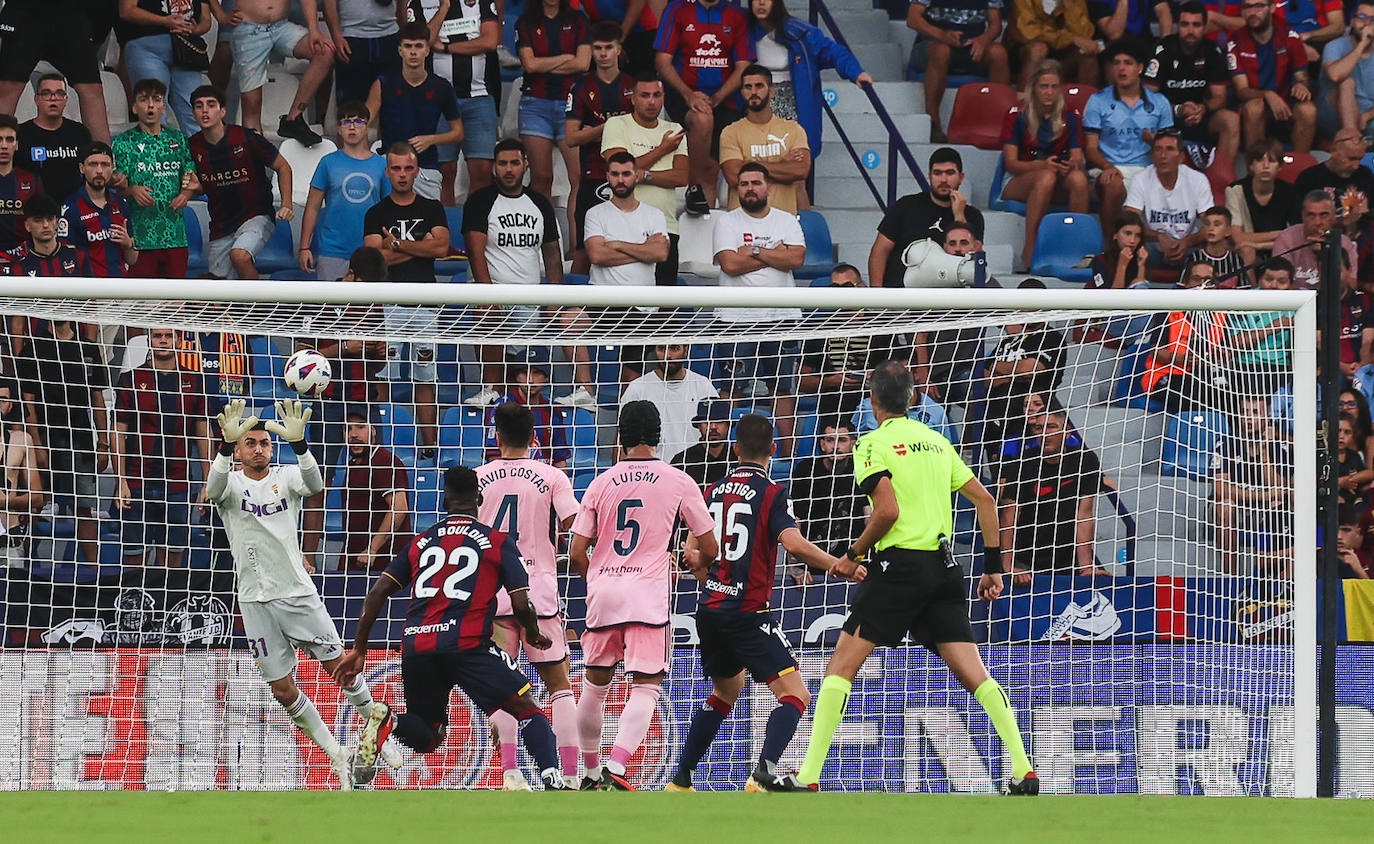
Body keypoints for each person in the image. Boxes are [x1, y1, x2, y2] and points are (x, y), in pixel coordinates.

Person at [795, 360, 1038, 795]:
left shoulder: (871, 444)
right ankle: (1023, 768)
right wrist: (992, 565)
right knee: (975, 674)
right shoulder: (937, 442)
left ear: (872, 400)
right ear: (912, 398)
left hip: (899, 568)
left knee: (841, 667)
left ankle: (809, 776)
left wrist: (852, 555)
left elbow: (887, 511)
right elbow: (985, 501)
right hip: (944, 569)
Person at [336, 465, 568, 790]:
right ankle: (554, 779)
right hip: (468, 644)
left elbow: (377, 592)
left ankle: (390, 720)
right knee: (528, 709)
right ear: (480, 498)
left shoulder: (421, 542)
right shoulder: (496, 541)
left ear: (444, 498)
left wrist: (359, 649)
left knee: (428, 736)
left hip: (417, 646)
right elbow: (519, 603)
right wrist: (532, 631)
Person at [208, 397, 400, 788]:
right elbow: (212, 489)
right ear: (238, 449)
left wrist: (300, 446)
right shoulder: (231, 484)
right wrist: (223, 448)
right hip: (253, 600)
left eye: (264, 443)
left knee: (340, 668)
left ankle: (378, 728)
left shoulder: (287, 476)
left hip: (297, 594)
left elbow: (315, 484)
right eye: (250, 443)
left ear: (272, 448)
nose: (259, 448)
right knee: (281, 688)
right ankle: (337, 754)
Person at [668, 413, 860, 792]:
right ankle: (763, 774)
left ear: (735, 449)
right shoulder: (773, 492)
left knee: (725, 692)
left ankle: (681, 779)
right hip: (747, 610)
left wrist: (709, 579)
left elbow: (692, 550)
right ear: (773, 449)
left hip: (710, 608)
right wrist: (838, 565)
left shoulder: (714, 490)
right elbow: (794, 544)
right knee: (796, 694)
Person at [570, 400, 719, 791]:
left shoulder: (601, 481)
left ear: (619, 437)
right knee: (647, 685)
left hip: (604, 591)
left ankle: (588, 771)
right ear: (659, 437)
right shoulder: (678, 480)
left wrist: (597, 579)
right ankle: (615, 767)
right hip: (647, 595)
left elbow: (575, 550)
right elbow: (711, 546)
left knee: (594, 685)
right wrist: (692, 559)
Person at [477, 401, 581, 790]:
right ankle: (569, 774)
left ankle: (510, 773)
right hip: (539, 592)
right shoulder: (552, 476)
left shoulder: (478, 477)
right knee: (559, 686)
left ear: (497, 436)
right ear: (535, 439)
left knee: (504, 686)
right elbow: (576, 523)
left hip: (495, 595)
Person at [462, 139, 568, 408]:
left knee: (521, 372)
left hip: (528, 296)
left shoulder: (540, 203)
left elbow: (553, 254)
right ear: (494, 168)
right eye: (503, 163)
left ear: (526, 165)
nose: (509, 169)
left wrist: (554, 298)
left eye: (514, 163)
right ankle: (490, 391)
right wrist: (489, 296)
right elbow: (475, 251)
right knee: (488, 322)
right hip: (494, 290)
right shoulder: (480, 200)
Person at [363, 142, 450, 456]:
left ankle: (430, 449)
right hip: (387, 306)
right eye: (396, 168)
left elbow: (441, 249)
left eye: (408, 168)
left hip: (425, 307)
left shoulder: (432, 208)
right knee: (383, 377)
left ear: (417, 170)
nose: (402, 174)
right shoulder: (376, 212)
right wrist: (417, 246)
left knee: (424, 379)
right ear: (387, 172)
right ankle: (383, 448)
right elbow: (374, 260)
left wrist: (396, 245)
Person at [711, 162, 804, 449]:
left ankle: (788, 459)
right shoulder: (726, 221)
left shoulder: (786, 219)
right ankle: (723, 453)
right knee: (731, 389)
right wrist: (774, 252)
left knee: (783, 388)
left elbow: (796, 259)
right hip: (735, 318)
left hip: (781, 316)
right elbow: (729, 264)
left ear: (769, 187)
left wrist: (752, 250)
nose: (750, 188)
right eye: (744, 184)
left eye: (756, 182)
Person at [112, 327, 213, 568]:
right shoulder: (131, 379)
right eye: (158, 336)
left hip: (178, 484)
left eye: (168, 336)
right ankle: (134, 604)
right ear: (150, 341)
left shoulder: (194, 380)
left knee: (173, 559)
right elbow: (118, 431)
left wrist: (207, 481)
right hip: (137, 483)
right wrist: (121, 481)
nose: (164, 341)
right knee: (135, 558)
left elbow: (203, 432)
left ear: (178, 340)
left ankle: (167, 606)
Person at [16, 320, 106, 564]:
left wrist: (104, 442)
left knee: (83, 507)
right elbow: (28, 401)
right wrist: (37, 444)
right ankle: (25, 569)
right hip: (45, 436)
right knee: (34, 504)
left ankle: (93, 573)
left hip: (80, 438)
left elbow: (97, 397)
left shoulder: (87, 348)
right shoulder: (33, 349)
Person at [655, 0, 755, 213]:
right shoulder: (677, 9)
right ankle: (694, 188)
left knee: (711, 169)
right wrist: (688, 95)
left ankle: (705, 229)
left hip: (726, 100)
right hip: (683, 97)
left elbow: (744, 66)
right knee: (702, 119)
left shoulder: (736, 14)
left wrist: (718, 97)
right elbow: (662, 61)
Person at [744, 0, 872, 164]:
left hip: (792, 103)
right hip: (755, 103)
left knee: (795, 169)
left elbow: (833, 51)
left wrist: (857, 73)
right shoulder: (742, 30)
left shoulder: (800, 32)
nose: (761, 3)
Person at [188, 85, 293, 280]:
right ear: (193, 113)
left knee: (240, 255)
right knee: (218, 291)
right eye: (199, 106)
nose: (205, 111)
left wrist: (286, 203)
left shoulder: (245, 138)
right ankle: (239, 310)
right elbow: (202, 185)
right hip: (221, 225)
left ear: (223, 111)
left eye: (211, 105)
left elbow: (283, 167)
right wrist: (196, 188)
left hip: (256, 215)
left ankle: (259, 309)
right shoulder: (192, 146)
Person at [998, 408, 1113, 582]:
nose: (1045, 433)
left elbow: (1084, 516)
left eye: (1051, 426)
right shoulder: (1023, 462)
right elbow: (1009, 515)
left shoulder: (1085, 460)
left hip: (1067, 559)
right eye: (1038, 428)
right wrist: (1008, 565)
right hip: (1026, 561)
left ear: (1066, 431)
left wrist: (1087, 567)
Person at [1000, 59, 1091, 270]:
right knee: (1046, 176)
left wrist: (1071, 165)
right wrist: (1042, 165)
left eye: (1054, 87)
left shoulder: (1071, 118)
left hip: (1057, 180)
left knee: (1078, 179)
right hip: (1018, 180)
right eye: (1043, 86)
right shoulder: (1017, 116)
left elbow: (1078, 157)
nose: (1049, 92)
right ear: (1034, 88)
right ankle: (1030, 247)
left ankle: (1077, 248)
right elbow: (1011, 164)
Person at [601, 72, 689, 286]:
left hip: (665, 226)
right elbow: (619, 169)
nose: (651, 101)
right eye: (644, 95)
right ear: (633, 98)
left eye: (657, 95)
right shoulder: (616, 124)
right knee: (621, 298)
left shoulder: (674, 129)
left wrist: (644, 175)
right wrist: (663, 149)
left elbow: (682, 177)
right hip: (623, 224)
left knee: (665, 301)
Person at [1084, 39, 1176, 239]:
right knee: (1113, 183)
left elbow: (1170, 148)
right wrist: (1108, 166)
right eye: (1116, 63)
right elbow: (1090, 148)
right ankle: (1111, 246)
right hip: (1108, 167)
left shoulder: (1160, 102)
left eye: (1128, 63)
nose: (1121, 69)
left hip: (1147, 168)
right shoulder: (1097, 100)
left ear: (1140, 68)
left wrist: (1154, 142)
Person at [364, 22, 464, 202]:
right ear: (400, 50)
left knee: (429, 225)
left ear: (427, 50)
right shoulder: (383, 83)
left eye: (418, 46)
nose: (413, 52)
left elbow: (458, 132)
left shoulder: (441, 87)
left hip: (426, 167)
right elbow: (364, 125)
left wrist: (431, 139)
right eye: (408, 46)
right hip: (389, 166)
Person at [566, 21, 636, 273]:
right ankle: (574, 309)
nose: (603, 53)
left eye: (609, 47)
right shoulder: (581, 87)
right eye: (597, 48)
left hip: (631, 177)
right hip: (593, 176)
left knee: (631, 242)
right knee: (584, 252)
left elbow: (642, 129)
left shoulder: (634, 86)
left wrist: (593, 131)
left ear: (619, 49)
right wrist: (614, 127)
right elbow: (571, 138)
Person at [797, 263, 909, 418]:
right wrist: (831, 381)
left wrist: (877, 379)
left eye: (847, 286)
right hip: (833, 413)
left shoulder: (882, 326)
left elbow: (900, 373)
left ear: (861, 287)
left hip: (875, 411)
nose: (841, 292)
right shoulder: (820, 328)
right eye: (835, 288)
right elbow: (801, 382)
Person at [114, 79, 199, 279]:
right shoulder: (124, 142)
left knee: (175, 300)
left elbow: (189, 174)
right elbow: (119, 185)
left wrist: (186, 193)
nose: (150, 105)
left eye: (157, 99)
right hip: (140, 237)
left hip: (175, 235)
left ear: (163, 106)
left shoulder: (178, 139)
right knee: (142, 302)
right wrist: (132, 191)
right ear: (134, 107)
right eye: (144, 100)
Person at [868, 147, 985, 289]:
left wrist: (959, 215)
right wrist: (877, 295)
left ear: (961, 177)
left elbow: (970, 263)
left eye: (950, 173)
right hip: (901, 298)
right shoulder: (906, 206)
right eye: (937, 173)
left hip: (949, 301)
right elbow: (880, 250)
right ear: (929, 176)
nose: (943, 179)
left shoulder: (973, 216)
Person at [218, 0, 333, 144]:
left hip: (281, 26)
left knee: (324, 52)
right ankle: (255, 156)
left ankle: (293, 119)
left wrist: (314, 29)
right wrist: (220, 15)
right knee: (252, 104)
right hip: (249, 28)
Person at [299, 100, 389, 280]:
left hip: (370, 252)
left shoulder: (382, 164)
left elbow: (388, 208)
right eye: (346, 122)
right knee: (331, 307)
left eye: (358, 121)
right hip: (333, 250)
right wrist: (304, 247)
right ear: (339, 129)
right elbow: (313, 207)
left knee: (368, 307)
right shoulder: (327, 162)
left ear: (367, 127)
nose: (352, 127)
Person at [1144, 2, 1240, 166]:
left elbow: (1219, 97)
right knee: (1144, 118)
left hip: (1200, 116)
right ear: (1177, 25)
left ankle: (1222, 181)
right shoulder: (1163, 49)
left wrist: (1203, 109)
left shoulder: (1212, 50)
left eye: (1196, 25)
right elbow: (1147, 95)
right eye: (1185, 24)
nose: (1190, 31)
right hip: (1168, 118)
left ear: (1204, 27)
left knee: (1230, 120)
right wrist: (1178, 109)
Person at [424, 0, 501, 202]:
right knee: (443, 171)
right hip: (437, 100)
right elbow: (423, 41)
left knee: (483, 170)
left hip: (479, 96)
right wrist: (443, 8)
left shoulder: (481, 2)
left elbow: (490, 41)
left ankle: (473, 228)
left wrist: (448, 48)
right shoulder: (421, 2)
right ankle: (445, 227)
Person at [516, 0, 590, 203]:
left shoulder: (579, 19)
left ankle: (576, 235)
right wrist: (566, 58)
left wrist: (543, 65)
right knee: (541, 178)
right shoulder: (525, 22)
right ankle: (546, 234)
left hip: (572, 106)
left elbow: (583, 63)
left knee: (578, 178)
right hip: (535, 105)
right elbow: (529, 65)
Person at [907, 0, 1011, 143]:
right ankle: (933, 123)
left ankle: (999, 123)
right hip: (932, 44)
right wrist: (942, 35)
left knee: (998, 53)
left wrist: (984, 39)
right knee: (941, 51)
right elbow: (913, 19)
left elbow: (996, 24)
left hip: (971, 46)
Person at [0, 10, 110, 143]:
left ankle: (103, 157)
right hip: (25, 12)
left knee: (91, 87)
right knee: (8, 87)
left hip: (69, 13)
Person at [1213, 395, 1293, 574]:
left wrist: (1264, 450)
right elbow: (1220, 488)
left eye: (1255, 412)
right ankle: (1230, 577)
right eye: (1244, 412)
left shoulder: (1279, 447)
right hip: (1237, 507)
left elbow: (1279, 487)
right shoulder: (1225, 443)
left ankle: (1277, 575)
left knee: (1279, 505)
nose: (1248, 418)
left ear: (1268, 416)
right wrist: (1264, 495)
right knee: (1224, 506)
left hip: (1267, 508)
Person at [1226, 0, 1317, 154]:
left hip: (1285, 106)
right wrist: (1268, 95)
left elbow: (1301, 76)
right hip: (1252, 108)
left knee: (1308, 110)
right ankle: (1254, 170)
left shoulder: (1290, 37)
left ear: (1272, 8)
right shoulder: (1235, 41)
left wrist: (1301, 84)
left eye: (1259, 6)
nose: (1252, 12)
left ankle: (1298, 169)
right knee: (1255, 107)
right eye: (1247, 7)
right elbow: (1241, 90)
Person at [718, 65, 810, 214]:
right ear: (742, 92)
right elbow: (734, 177)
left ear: (772, 91)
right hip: (742, 224)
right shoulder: (730, 132)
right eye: (748, 87)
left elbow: (800, 170)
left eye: (759, 86)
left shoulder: (794, 129)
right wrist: (782, 165)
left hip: (783, 222)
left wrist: (750, 164)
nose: (753, 92)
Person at [116, 0, 213, 137]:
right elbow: (127, 11)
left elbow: (206, 20)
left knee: (194, 107)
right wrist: (164, 21)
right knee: (153, 107)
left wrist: (194, 29)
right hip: (146, 43)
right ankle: (158, 155)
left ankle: (199, 155)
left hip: (185, 47)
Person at [1140, 259, 1228, 410]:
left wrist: (1215, 358)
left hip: (1207, 375)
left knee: (1229, 396)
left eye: (1207, 280)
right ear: (1186, 283)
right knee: (1194, 394)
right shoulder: (1169, 310)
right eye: (1196, 279)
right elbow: (1157, 352)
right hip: (1167, 374)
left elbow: (1227, 351)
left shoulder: (1222, 314)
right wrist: (1184, 359)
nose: (1201, 284)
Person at [1123, 131, 1215, 272]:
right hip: (1152, 246)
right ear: (1152, 156)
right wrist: (1158, 237)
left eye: (1170, 149)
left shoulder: (1198, 179)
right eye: (1158, 149)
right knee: (1131, 243)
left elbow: (1210, 224)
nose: (1163, 156)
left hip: (1189, 246)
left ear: (1181, 157)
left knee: (1215, 243)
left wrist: (1187, 241)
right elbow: (1129, 221)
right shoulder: (1140, 179)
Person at [584, 149, 670, 293]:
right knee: (570, 315)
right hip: (602, 300)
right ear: (607, 176)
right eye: (615, 174)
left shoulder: (655, 214)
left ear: (636, 176)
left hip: (642, 305)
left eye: (626, 174)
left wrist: (617, 245)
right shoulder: (595, 213)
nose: (620, 180)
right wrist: (644, 252)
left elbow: (660, 253)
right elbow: (597, 256)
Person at [620, 342, 721, 464]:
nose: (667, 355)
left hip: (696, 470)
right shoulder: (637, 389)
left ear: (686, 350)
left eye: (674, 348)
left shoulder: (703, 386)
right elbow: (622, 440)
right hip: (653, 473)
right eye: (661, 349)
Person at [338, 408, 412, 571]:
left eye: (360, 427)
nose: (353, 434)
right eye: (348, 428)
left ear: (373, 430)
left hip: (385, 563)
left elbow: (399, 509)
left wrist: (372, 549)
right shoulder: (354, 464)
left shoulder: (384, 461)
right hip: (356, 557)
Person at [788, 415, 866, 561]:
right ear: (822, 445)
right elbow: (795, 519)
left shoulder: (862, 470)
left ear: (853, 444)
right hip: (813, 556)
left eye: (842, 440)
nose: (835, 446)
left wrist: (859, 560)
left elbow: (869, 517)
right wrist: (795, 564)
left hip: (854, 556)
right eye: (830, 440)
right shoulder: (806, 470)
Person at [480, 350, 573, 469]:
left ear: (546, 377)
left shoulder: (553, 410)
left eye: (537, 373)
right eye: (524, 373)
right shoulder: (501, 407)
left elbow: (560, 461)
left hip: (544, 480)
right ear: (516, 377)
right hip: (509, 478)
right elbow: (494, 458)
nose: (530, 380)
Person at [59, 142, 140, 278]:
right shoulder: (70, 208)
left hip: (121, 288)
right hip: (90, 291)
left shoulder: (121, 203)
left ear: (112, 168)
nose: (99, 171)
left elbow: (132, 260)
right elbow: (66, 262)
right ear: (82, 168)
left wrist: (127, 244)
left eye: (105, 165)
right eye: (93, 164)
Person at [16, 74, 94, 203]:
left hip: (74, 209)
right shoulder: (21, 134)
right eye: (46, 93)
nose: (53, 98)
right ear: (36, 99)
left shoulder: (80, 133)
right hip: (34, 210)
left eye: (59, 93)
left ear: (65, 100)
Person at [1225, 137, 1296, 263]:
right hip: (1246, 251)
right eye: (1259, 160)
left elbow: (1295, 237)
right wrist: (1278, 234)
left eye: (1271, 161)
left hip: (1279, 248)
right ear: (1251, 166)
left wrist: (1259, 244)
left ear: (1280, 166)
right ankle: (1250, 284)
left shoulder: (1290, 191)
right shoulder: (1235, 190)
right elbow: (1237, 237)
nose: (1265, 166)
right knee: (1247, 249)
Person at [1272, 190, 1357, 289]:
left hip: (1331, 303)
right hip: (1295, 302)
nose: (1317, 222)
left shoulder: (1344, 243)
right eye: (1311, 215)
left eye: (1324, 215)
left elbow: (1351, 286)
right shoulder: (1287, 238)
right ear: (1303, 216)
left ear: (1334, 216)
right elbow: (1277, 284)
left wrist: (1326, 255)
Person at [1291, 128, 1374, 227]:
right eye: (1351, 159)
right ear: (1333, 151)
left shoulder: (1365, 174)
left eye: (1359, 159)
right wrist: (1343, 223)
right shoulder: (1310, 178)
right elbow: (1298, 220)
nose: (1356, 166)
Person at [323, 0, 401, 105]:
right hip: (351, 38)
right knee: (351, 105)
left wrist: (403, 33)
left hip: (389, 35)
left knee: (392, 100)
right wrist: (336, 35)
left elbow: (402, 4)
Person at [1006, 0, 1099, 87]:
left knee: (1088, 53)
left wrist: (1070, 5)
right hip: (1025, 48)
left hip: (1063, 51)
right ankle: (1023, 101)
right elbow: (1028, 33)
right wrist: (1070, 38)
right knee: (1038, 50)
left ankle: (1086, 102)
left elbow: (1083, 35)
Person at [0, 380, 42, 569]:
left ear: (10, 405)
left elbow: (38, 498)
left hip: (10, 538)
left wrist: (5, 502)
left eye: (2, 399)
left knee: (14, 594)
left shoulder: (22, 441)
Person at [1321, 1, 1374, 138]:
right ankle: (1351, 139)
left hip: (1368, 114)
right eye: (1361, 17)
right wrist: (1362, 44)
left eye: (1373, 19)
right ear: (1351, 22)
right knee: (1346, 81)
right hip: (1333, 112)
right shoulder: (1335, 46)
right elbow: (1335, 75)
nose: (1367, 24)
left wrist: (1367, 116)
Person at [0, 114, 42, 254]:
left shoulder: (32, 180)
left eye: (9, 139)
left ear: (16, 145)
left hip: (23, 260)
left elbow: (41, 220)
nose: (4, 145)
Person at [671, 399, 734, 487]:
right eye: (707, 422)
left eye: (719, 421)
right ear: (699, 426)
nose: (713, 427)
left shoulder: (738, 459)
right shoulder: (682, 461)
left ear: (728, 425)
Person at [1185, 206, 1247, 282]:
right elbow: (1183, 288)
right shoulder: (1194, 257)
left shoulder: (1235, 260)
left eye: (1217, 224)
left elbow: (1243, 290)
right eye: (1207, 224)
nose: (1211, 228)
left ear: (1228, 231)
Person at [1337, 414, 1373, 512]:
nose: (1341, 436)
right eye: (1338, 431)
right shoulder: (1323, 457)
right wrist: (1339, 483)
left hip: (1353, 503)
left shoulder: (1354, 456)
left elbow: (1369, 473)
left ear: (1354, 435)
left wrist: (1350, 479)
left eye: (1347, 432)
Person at [1090, 0, 1172, 41]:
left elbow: (1163, 10)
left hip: (1143, 41)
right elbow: (1114, 34)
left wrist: (1165, 42)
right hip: (1113, 46)